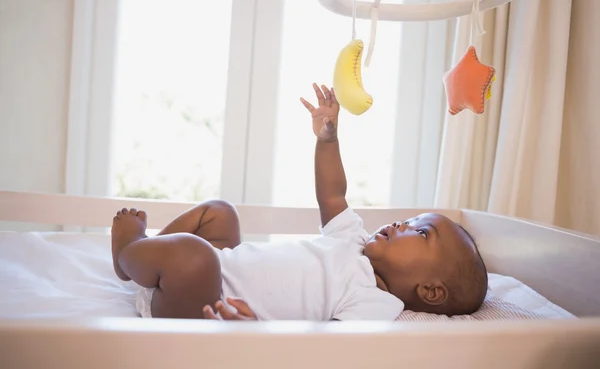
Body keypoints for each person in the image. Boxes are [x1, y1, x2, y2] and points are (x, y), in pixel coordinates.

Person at [111, 83, 488, 321]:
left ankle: (130, 253)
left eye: (420, 233)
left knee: (195, 257)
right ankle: (148, 262)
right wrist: (328, 140)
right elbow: (333, 194)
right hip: (221, 266)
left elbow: (321, 353)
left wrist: (252, 331)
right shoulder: (352, 240)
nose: (401, 224)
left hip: (201, 305)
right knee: (219, 213)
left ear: (431, 291)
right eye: (410, 219)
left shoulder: (376, 305)